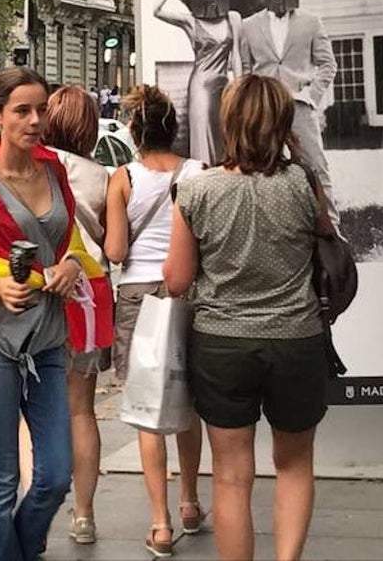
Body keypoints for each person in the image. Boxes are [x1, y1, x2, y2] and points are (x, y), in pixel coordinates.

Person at [164, 74, 329, 561]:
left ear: (227, 121)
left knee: (232, 476)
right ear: (282, 122)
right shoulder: (303, 183)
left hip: (222, 346)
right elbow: (326, 241)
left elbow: (176, 281)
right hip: (297, 340)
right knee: (294, 464)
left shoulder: (197, 190)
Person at [0, 67, 98, 561]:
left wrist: (73, 264)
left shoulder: (54, 170)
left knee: (55, 474)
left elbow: (71, 240)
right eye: (22, 111)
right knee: (0, 478)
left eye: (41, 109)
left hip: (48, 338)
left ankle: (20, 548)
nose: (36, 120)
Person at [104, 84, 204, 558]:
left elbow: (116, 251)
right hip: (188, 291)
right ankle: (190, 502)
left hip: (138, 295)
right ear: (173, 127)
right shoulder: (198, 172)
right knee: (189, 401)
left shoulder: (123, 178)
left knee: (148, 410)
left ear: (134, 130)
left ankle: (161, 525)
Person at [40, 84, 113, 546]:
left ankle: (35, 507)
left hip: (40, 286)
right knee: (82, 409)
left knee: (33, 407)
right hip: (89, 289)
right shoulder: (101, 175)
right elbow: (112, 242)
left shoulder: (35, 164)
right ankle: (83, 514)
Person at [240, 0, 339, 226]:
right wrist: (251, 104)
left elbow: (328, 64)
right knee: (261, 168)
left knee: (315, 166)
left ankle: (331, 227)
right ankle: (269, 227)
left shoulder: (311, 22)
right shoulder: (248, 25)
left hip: (300, 106)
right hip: (265, 108)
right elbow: (246, 70)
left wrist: (311, 96)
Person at [154, 0, 243, 165]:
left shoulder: (233, 18)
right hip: (201, 86)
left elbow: (236, 56)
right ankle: (203, 174)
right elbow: (156, 10)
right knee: (204, 135)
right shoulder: (190, 21)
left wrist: (240, 89)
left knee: (225, 133)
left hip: (224, 85)